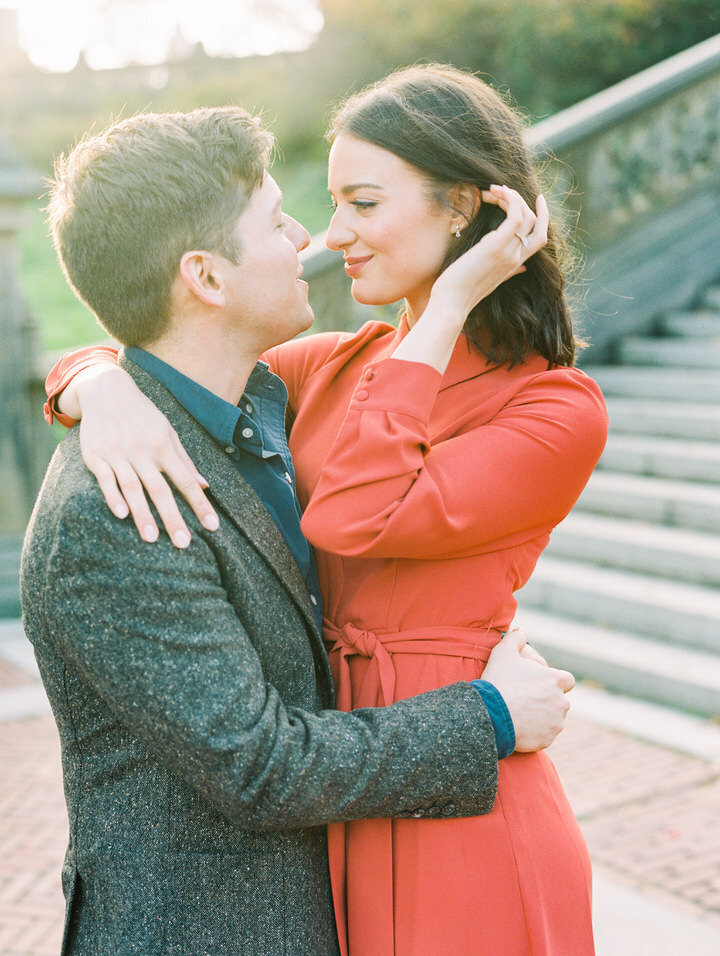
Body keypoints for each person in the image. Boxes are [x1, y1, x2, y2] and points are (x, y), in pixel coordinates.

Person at [25, 104, 575, 956]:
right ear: (208, 275)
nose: (313, 238)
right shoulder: (123, 498)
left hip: (421, 829)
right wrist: (97, 385)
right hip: (225, 918)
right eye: (283, 219)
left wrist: (97, 382)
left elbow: (350, 512)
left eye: (358, 203)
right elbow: (260, 764)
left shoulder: (265, 399)